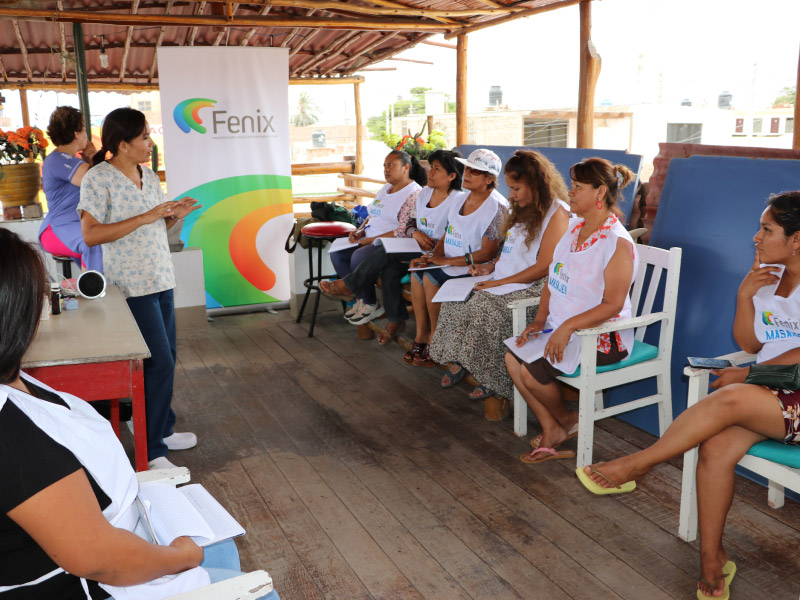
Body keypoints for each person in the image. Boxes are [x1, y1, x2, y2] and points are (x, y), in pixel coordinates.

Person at [0, 229, 279, 599]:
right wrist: (179, 557)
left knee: (221, 548)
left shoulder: (15, 381)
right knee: (259, 590)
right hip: (88, 583)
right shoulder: (12, 437)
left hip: (111, 533)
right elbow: (97, 558)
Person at [577, 190, 800, 600]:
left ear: (797, 239)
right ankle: (712, 561)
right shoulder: (768, 276)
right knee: (714, 446)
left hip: (793, 397)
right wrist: (744, 296)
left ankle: (637, 464)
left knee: (731, 397)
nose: (756, 237)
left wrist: (752, 373)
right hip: (771, 394)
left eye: (767, 229)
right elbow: (750, 341)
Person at [78, 107, 200, 470]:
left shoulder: (149, 176)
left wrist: (171, 218)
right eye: (145, 137)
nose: (151, 143)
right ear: (122, 143)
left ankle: (161, 427)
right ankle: (152, 451)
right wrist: (148, 216)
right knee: (157, 362)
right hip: (131, 285)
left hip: (161, 277)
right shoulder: (98, 178)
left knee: (167, 359)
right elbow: (91, 234)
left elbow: (150, 232)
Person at [505, 157, 637, 463]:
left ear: (600, 192)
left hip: (603, 336)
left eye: (577, 187)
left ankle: (565, 419)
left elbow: (613, 304)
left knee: (530, 371)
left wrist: (565, 328)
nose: (571, 193)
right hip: (565, 327)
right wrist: (540, 320)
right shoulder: (574, 227)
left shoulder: (617, 243)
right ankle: (556, 426)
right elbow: (555, 274)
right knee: (512, 360)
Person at [429, 150, 569, 400]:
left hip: (535, 287)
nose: (512, 195)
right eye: (511, 188)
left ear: (535, 185)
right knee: (454, 299)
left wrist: (500, 281)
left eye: (516, 188)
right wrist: (490, 266)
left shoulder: (556, 213)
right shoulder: (522, 207)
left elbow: (544, 267)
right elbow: (511, 251)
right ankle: (463, 359)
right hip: (506, 279)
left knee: (484, 308)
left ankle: (492, 377)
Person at [319, 149, 464, 342]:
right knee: (389, 269)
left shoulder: (457, 200)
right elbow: (409, 225)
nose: (429, 172)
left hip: (437, 253)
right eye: (430, 168)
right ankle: (395, 320)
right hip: (413, 246)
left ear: (452, 176)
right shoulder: (425, 194)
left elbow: (454, 234)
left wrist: (433, 251)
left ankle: (351, 286)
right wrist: (416, 233)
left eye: (436, 169)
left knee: (387, 256)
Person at [404, 148, 508, 367]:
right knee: (417, 272)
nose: (467, 173)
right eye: (467, 168)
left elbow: (488, 253)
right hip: (452, 262)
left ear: (490, 179)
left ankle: (436, 338)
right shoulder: (462, 199)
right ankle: (422, 335)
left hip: (473, 268)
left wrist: (445, 261)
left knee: (430, 278)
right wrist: (433, 256)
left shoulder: (496, 208)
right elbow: (447, 234)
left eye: (475, 171)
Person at [328, 150, 427, 325]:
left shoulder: (414, 193)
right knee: (338, 252)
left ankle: (370, 302)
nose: (386, 169)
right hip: (369, 237)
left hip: (391, 242)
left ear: (406, 167)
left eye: (391, 165)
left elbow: (402, 230)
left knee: (358, 256)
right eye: (384, 165)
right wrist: (360, 231)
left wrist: (369, 240)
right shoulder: (386, 188)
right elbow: (372, 213)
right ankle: (363, 299)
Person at [38, 106, 103, 272]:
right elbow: (94, 181)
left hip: (75, 225)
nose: (86, 135)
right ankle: (93, 292)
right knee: (93, 241)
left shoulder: (74, 162)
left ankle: (95, 286)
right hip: (57, 228)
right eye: (84, 129)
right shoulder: (56, 160)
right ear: (76, 134)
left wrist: (89, 159)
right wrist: (94, 159)